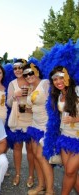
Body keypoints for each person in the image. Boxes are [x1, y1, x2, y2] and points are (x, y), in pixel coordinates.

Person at [48, 66, 79, 195]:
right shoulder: (59, 95)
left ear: (67, 77)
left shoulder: (77, 91)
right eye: (55, 79)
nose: (58, 81)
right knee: (69, 172)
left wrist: (75, 119)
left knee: (71, 171)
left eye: (61, 77)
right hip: (66, 136)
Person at [23, 63, 53, 195]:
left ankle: (50, 190)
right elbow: (32, 108)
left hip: (46, 126)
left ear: (37, 72)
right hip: (35, 125)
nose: (28, 76)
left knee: (41, 157)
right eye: (26, 74)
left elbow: (54, 99)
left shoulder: (45, 83)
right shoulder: (31, 87)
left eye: (31, 73)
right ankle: (41, 185)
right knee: (35, 156)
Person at [6, 59, 34, 187]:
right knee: (17, 147)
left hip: (30, 119)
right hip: (17, 118)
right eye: (15, 68)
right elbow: (8, 103)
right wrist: (15, 95)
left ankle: (31, 175)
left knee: (30, 149)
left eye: (20, 67)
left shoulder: (31, 80)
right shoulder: (12, 83)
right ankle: (17, 174)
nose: (17, 70)